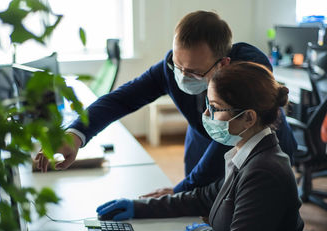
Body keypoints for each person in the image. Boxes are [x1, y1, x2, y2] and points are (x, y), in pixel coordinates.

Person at [35, 11, 297, 198]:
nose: (182, 76)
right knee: (199, 214)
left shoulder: (248, 70)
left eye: (193, 72)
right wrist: (75, 134)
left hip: (258, 156)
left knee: (248, 225)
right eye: (178, 65)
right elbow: (122, 98)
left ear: (222, 64)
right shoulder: (171, 67)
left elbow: (226, 143)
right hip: (201, 146)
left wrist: (181, 191)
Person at [96, 62, 310, 231]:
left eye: (215, 107)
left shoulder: (264, 172)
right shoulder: (247, 154)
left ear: (248, 118)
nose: (207, 114)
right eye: (208, 104)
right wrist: (138, 207)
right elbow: (204, 197)